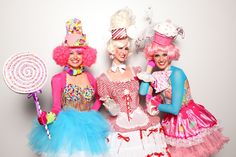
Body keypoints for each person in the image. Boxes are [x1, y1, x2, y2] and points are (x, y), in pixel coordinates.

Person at [139, 20, 229, 157]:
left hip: (187, 121)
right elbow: (142, 92)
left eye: (165, 54)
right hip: (171, 122)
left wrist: (156, 105)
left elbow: (175, 108)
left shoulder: (177, 74)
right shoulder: (156, 75)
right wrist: (149, 68)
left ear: (171, 55)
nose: (161, 59)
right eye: (157, 55)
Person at [28, 18, 110, 157]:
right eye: (71, 53)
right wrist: (47, 118)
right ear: (64, 55)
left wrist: (92, 113)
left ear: (85, 56)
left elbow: (100, 98)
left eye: (79, 53)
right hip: (66, 128)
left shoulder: (90, 78)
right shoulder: (58, 79)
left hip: (89, 127)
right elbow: (56, 108)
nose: (75, 57)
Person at [97, 8, 170, 157]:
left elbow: (149, 94)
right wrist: (112, 107)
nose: (123, 52)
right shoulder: (103, 79)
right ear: (112, 50)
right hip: (119, 122)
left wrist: (153, 101)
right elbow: (109, 106)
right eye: (119, 48)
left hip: (141, 118)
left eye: (126, 48)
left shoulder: (137, 71)